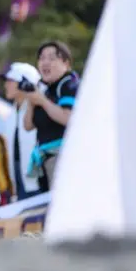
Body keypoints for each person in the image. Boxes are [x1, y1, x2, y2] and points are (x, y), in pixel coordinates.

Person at [24, 40, 80, 192]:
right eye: (41, 58)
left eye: (51, 58)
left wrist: (42, 101)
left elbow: (68, 118)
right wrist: (31, 101)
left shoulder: (69, 85)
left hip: (63, 159)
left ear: (66, 64)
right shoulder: (46, 90)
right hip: (45, 160)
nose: (45, 62)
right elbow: (28, 126)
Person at [0, 62, 41, 200]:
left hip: (37, 183)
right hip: (18, 183)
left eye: (11, 81)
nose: (6, 85)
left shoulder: (38, 110)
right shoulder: (12, 113)